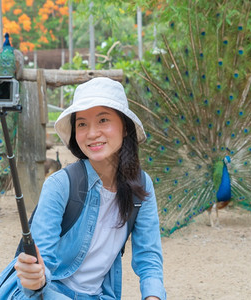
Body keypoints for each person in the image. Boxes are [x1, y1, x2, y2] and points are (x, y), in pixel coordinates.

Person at [14, 77, 166, 299]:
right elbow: (41, 267)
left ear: (125, 127)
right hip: (51, 292)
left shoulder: (141, 186)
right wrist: (34, 277)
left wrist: (153, 296)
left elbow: (149, 258)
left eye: (103, 120)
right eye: (82, 123)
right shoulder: (59, 186)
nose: (92, 133)